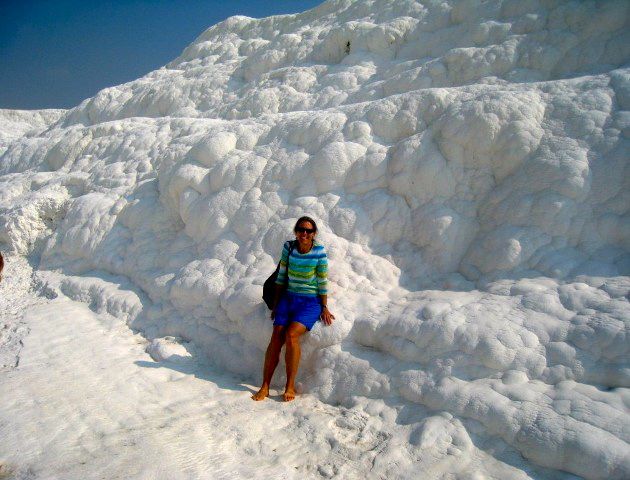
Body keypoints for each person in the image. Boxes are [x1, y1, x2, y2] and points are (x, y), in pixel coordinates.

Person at [252, 216, 335, 402]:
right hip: (288, 298)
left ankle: (289, 386)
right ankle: (265, 385)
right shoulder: (288, 248)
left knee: (291, 335)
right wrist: (276, 303)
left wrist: (324, 307)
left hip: (310, 302)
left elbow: (322, 280)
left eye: (309, 231)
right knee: (277, 334)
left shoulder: (319, 252)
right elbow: (281, 276)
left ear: (314, 234)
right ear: (296, 231)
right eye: (301, 229)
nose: (304, 234)